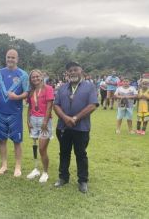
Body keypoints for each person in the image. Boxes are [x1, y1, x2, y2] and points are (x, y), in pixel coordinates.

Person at [53, 62, 98, 193]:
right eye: (70, 70)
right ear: (67, 73)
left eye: (75, 70)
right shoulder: (62, 88)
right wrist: (65, 118)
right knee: (64, 153)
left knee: (81, 154)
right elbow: (56, 105)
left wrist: (75, 118)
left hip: (81, 127)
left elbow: (93, 105)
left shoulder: (90, 87)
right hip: (63, 126)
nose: (72, 72)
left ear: (81, 71)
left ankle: (83, 181)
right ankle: (63, 178)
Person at [0, 49, 28, 177]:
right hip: (0, 113)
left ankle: (18, 166)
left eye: (13, 57)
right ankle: (4, 165)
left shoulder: (23, 75)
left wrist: (17, 96)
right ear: (5, 58)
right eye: (8, 57)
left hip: (15, 113)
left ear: (17, 59)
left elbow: (27, 92)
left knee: (16, 141)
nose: (10, 60)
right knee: (2, 140)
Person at [26, 69, 54, 183]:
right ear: (31, 79)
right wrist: (28, 121)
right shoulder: (31, 91)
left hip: (44, 121)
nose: (35, 78)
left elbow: (49, 106)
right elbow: (30, 106)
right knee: (35, 146)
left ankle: (45, 172)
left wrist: (45, 121)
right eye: (33, 77)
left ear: (41, 77)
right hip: (33, 120)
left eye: (37, 76)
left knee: (42, 148)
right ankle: (36, 169)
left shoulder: (48, 88)